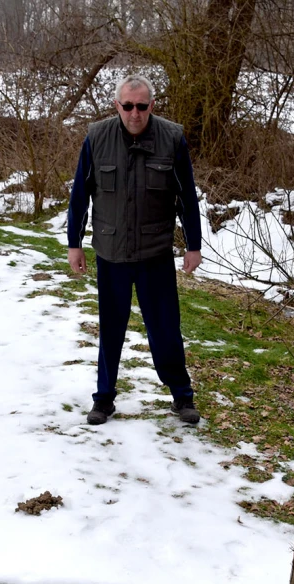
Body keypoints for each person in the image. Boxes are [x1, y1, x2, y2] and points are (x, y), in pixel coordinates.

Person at [67, 75, 202, 426]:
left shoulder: (171, 138)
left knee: (165, 330)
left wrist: (193, 245)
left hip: (155, 254)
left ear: (152, 106)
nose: (135, 113)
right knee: (111, 329)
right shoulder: (97, 138)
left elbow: (186, 196)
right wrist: (74, 244)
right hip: (111, 254)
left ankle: (182, 397)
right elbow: (80, 196)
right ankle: (103, 399)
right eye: (128, 106)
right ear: (117, 106)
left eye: (142, 106)